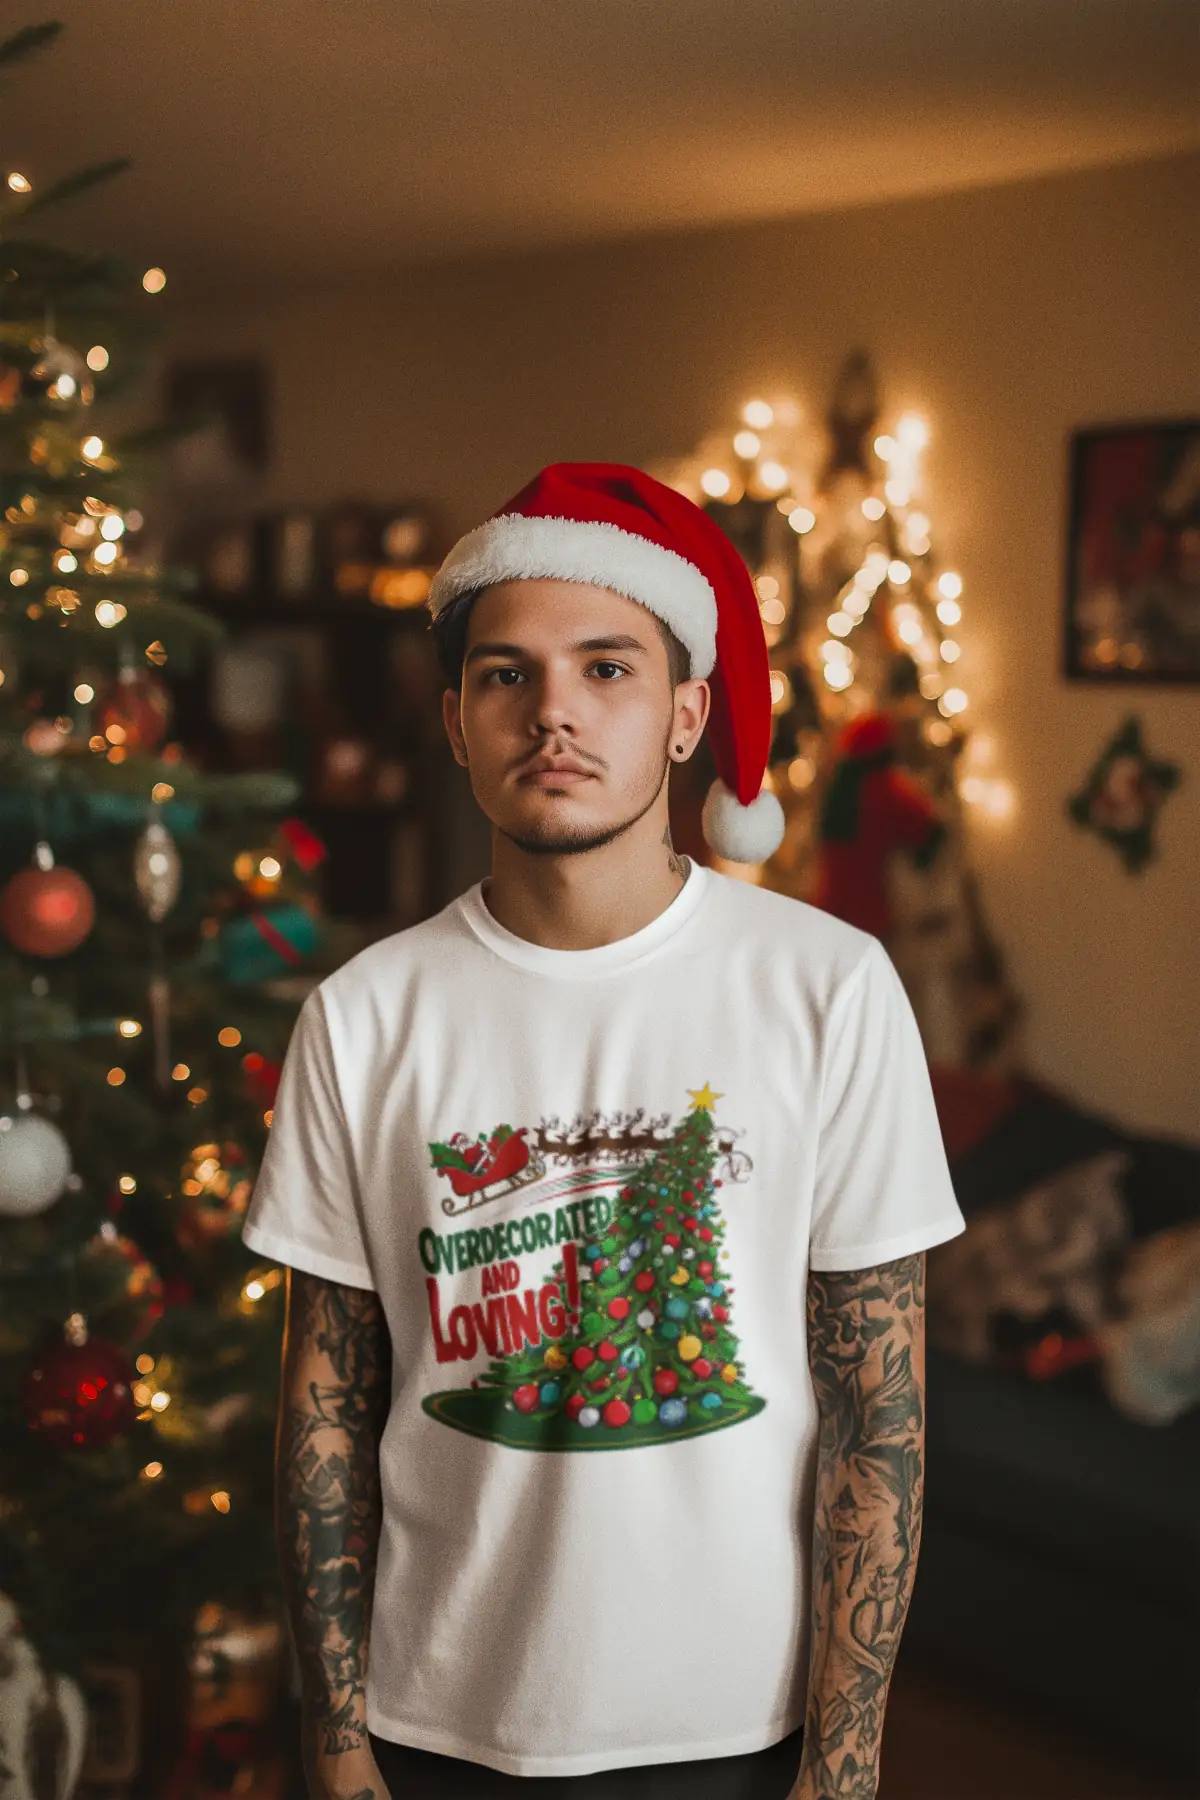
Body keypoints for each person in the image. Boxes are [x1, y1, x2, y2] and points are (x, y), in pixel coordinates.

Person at [242, 463, 966, 1799]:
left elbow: (880, 1415)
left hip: (733, 1733)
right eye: (506, 675)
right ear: (455, 722)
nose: (556, 711)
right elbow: (327, 1403)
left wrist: (846, 1761)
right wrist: (335, 1733)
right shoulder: (363, 1015)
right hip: (429, 1717)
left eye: (608, 668)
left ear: (690, 713)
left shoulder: (827, 987)